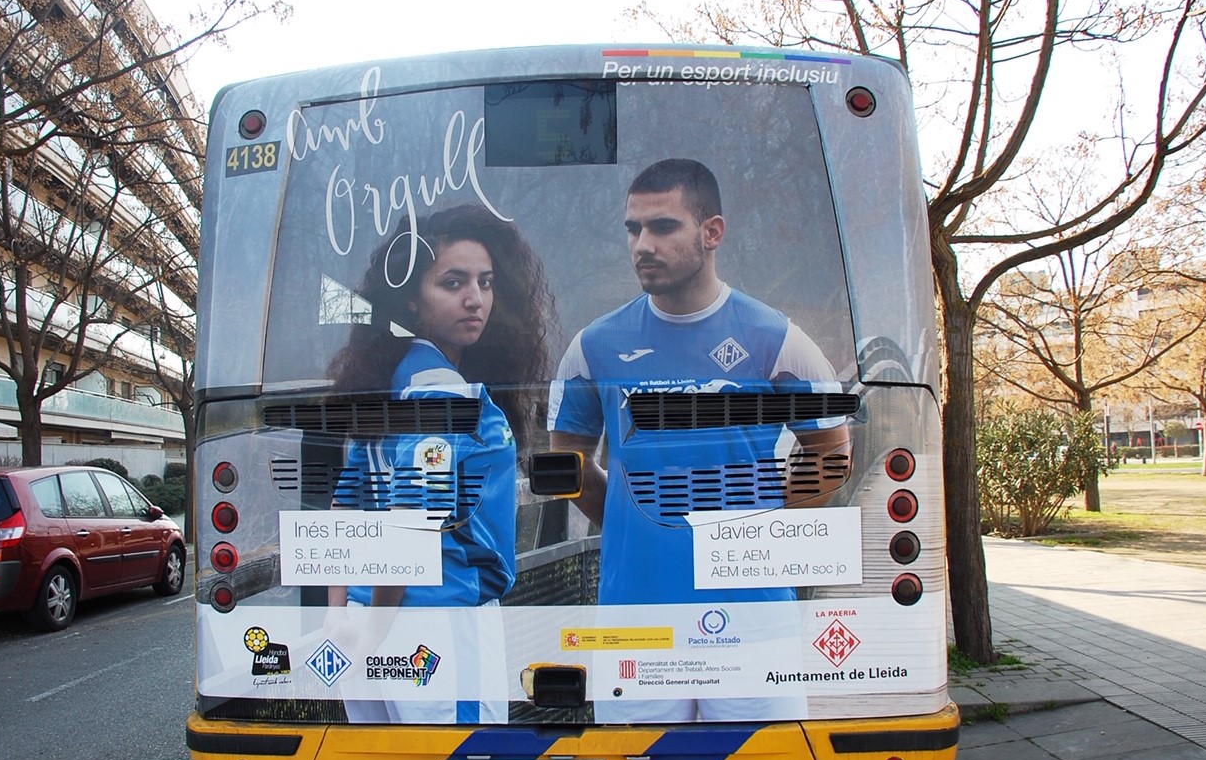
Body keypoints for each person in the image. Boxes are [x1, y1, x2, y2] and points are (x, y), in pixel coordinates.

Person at [547, 158, 846, 721]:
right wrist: (633, 521)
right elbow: (568, 464)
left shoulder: (776, 339)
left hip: (754, 617)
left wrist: (761, 522)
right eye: (633, 229)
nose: (642, 244)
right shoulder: (594, 346)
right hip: (636, 616)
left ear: (712, 233)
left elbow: (832, 452)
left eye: (662, 227)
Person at [327, 203, 553, 724]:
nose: (476, 299)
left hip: (366, 612)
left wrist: (341, 615)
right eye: (453, 283)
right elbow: (412, 515)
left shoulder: (389, 382)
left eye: (486, 282)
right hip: (439, 625)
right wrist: (379, 629)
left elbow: (345, 504)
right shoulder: (442, 391)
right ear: (410, 300)